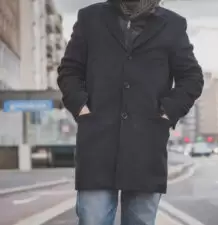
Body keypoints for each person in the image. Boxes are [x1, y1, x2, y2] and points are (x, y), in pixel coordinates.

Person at [57, 0, 204, 224]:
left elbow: (192, 78)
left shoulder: (172, 24)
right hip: (97, 144)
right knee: (92, 219)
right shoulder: (90, 18)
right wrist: (81, 108)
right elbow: (69, 71)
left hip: (146, 144)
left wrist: (167, 113)